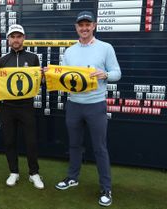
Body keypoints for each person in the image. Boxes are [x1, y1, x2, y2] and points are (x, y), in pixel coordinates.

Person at [53, 11, 121, 206]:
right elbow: (64, 78)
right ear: (76, 28)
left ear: (94, 26)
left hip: (96, 105)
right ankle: (72, 177)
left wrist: (105, 74)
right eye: (81, 25)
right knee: (74, 145)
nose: (84, 28)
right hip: (74, 105)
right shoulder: (70, 51)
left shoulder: (105, 48)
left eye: (87, 24)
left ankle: (106, 188)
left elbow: (117, 73)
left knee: (100, 148)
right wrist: (51, 74)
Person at [0, 24, 44, 189]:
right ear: (8, 40)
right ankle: (13, 171)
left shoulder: (33, 58)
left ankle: (34, 173)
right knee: (9, 140)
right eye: (12, 36)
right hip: (7, 107)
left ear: (24, 38)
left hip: (26, 106)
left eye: (18, 36)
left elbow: (39, 83)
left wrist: (42, 77)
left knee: (31, 141)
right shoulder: (2, 60)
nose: (16, 39)